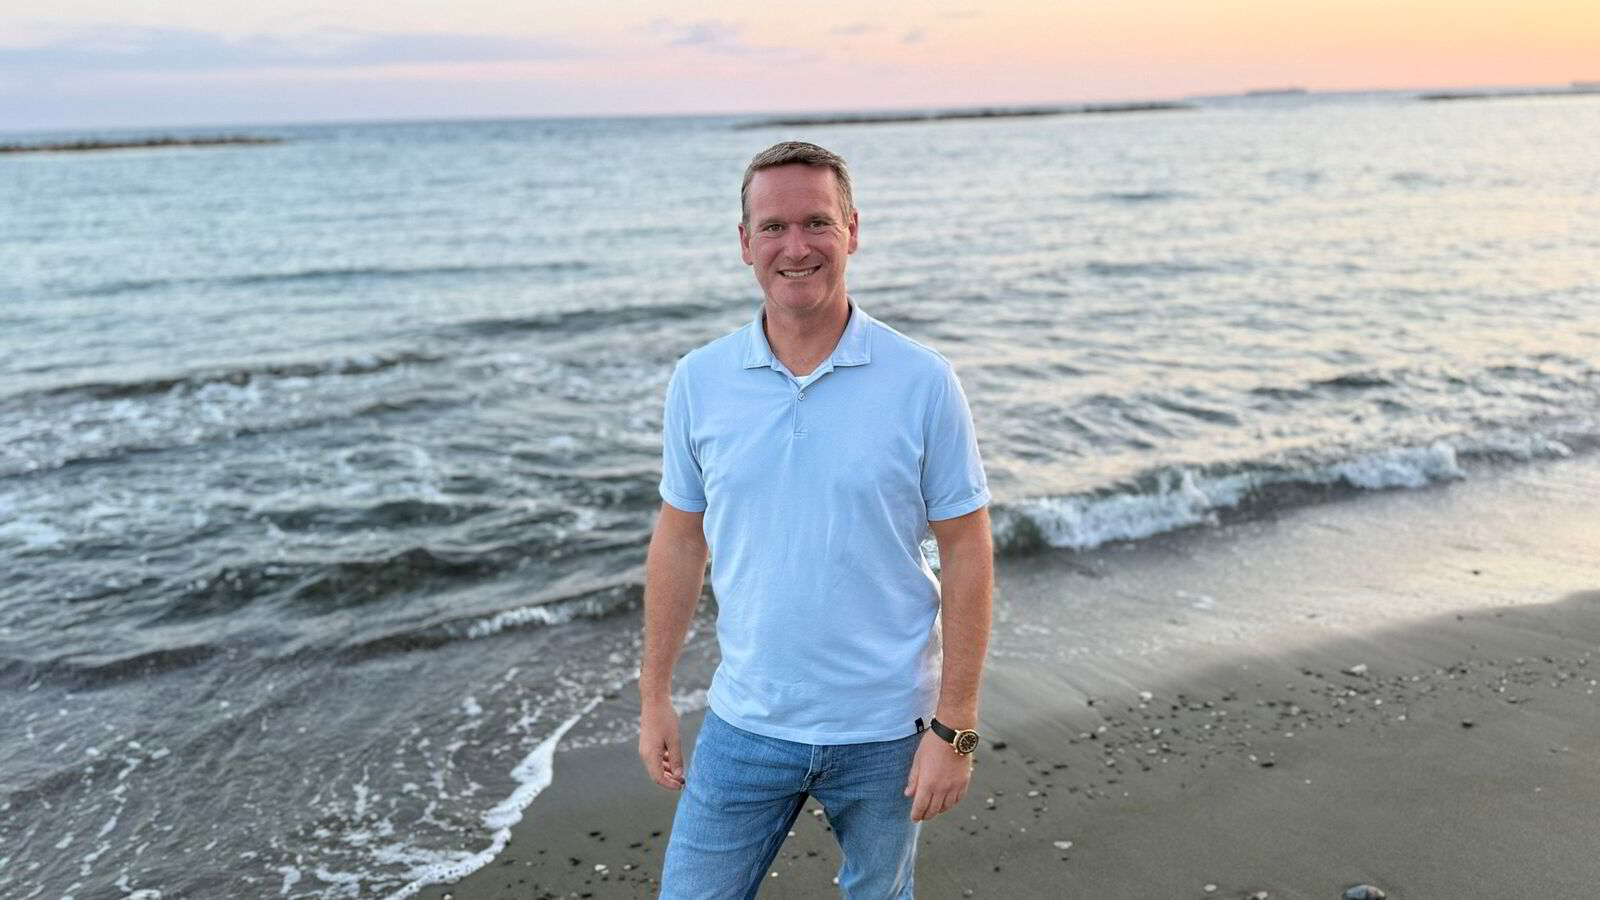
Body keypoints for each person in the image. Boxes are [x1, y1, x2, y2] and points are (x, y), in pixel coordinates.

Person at [637, 140, 995, 899]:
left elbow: (967, 549)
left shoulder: (923, 381)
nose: (795, 247)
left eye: (816, 223)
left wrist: (955, 729)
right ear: (745, 243)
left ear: (852, 231)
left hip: (888, 730)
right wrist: (654, 697)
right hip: (746, 721)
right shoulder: (699, 381)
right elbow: (679, 538)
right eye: (773, 227)